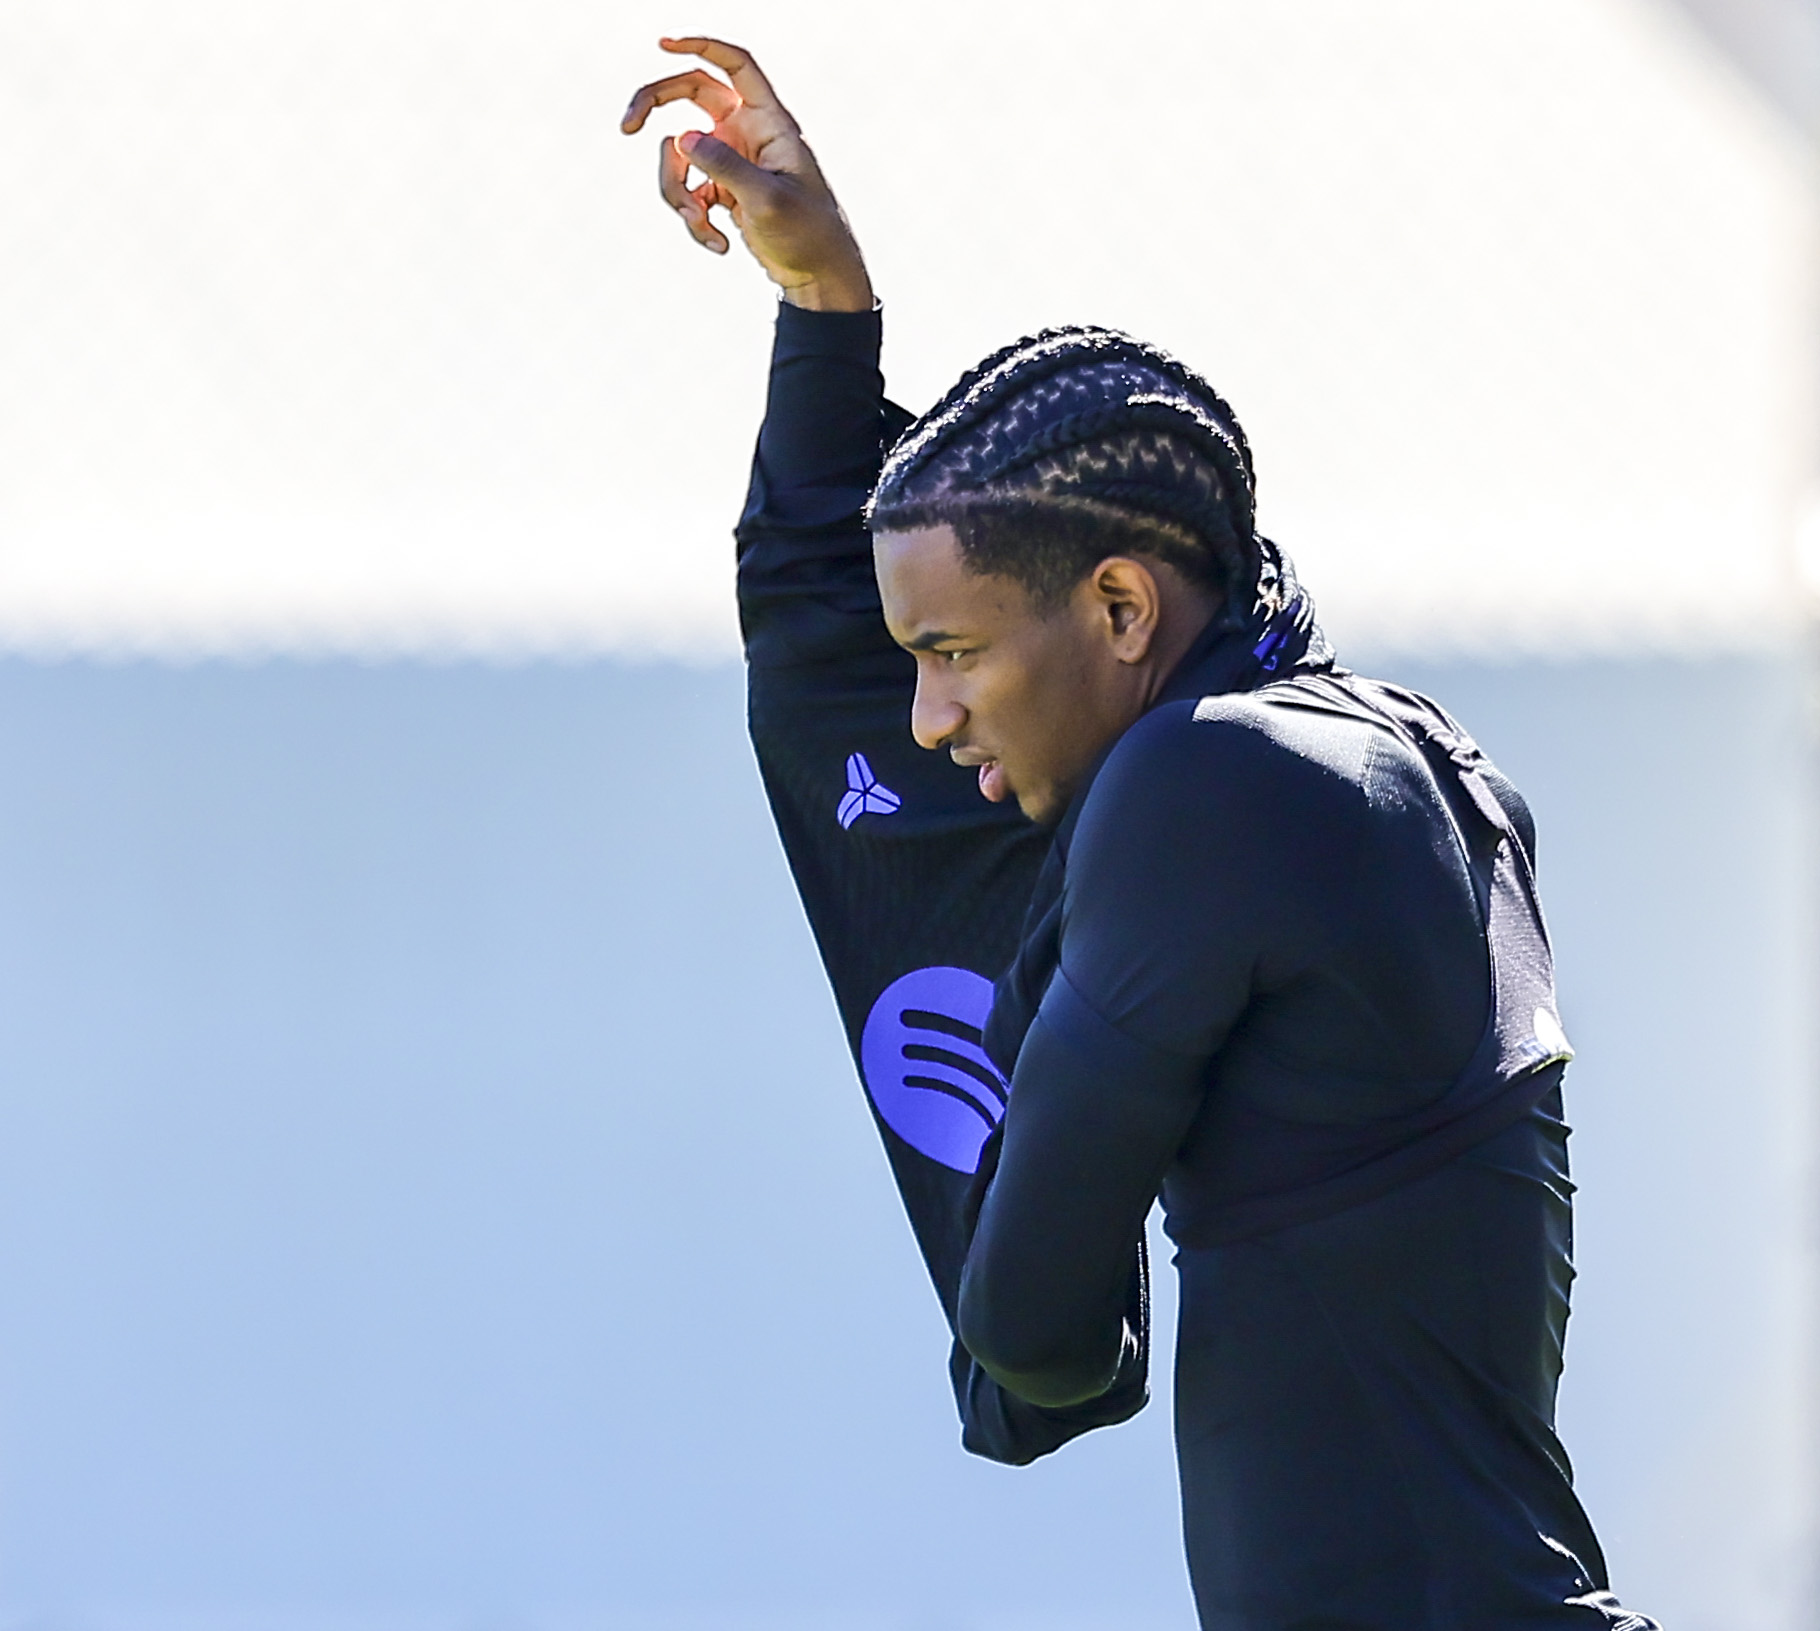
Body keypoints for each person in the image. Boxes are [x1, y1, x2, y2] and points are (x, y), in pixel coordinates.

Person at [625, 37, 1654, 1630]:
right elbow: (849, 650)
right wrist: (825, 315)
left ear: (1118, 605)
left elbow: (1031, 1323)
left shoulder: (1203, 792)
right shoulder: (1390, 755)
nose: (922, 722)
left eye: (953, 657)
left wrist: (1060, 1275)